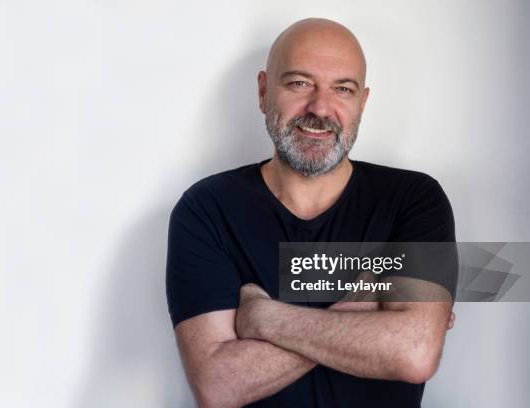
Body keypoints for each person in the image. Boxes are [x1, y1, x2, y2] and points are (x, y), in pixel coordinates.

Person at [166, 17, 456, 408]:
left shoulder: (414, 199)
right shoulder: (206, 208)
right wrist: (362, 303)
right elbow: (218, 387)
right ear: (264, 91)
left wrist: (264, 319)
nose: (320, 107)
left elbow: (416, 352)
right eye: (299, 83)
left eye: (343, 89)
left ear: (362, 103)